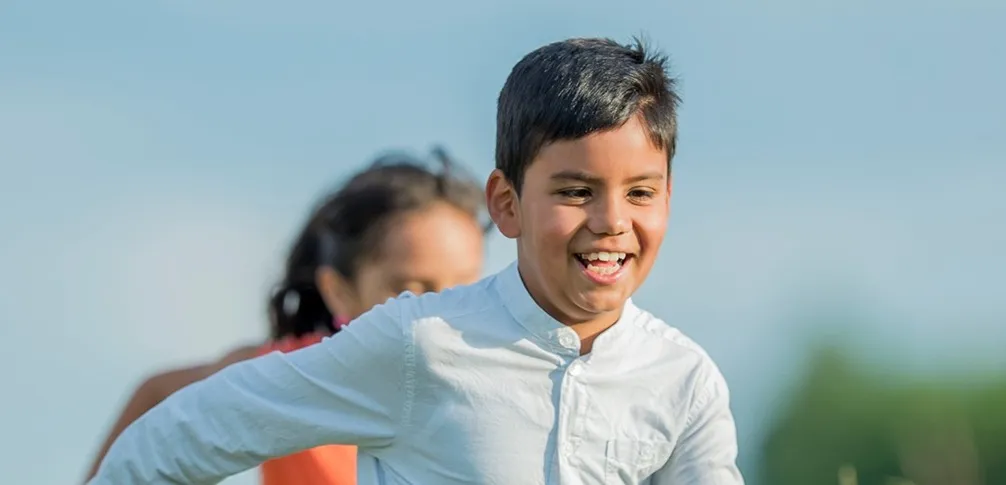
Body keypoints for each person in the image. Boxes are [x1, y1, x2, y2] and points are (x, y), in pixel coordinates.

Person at [88, 37, 744, 484]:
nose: (611, 222)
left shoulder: (684, 380)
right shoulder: (418, 344)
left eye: (640, 192)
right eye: (575, 191)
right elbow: (176, 434)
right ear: (507, 204)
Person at [83, 147, 491, 484]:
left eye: (463, 286)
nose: (438, 308)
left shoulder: (496, 377)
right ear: (340, 292)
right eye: (412, 289)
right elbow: (157, 393)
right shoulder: (295, 372)